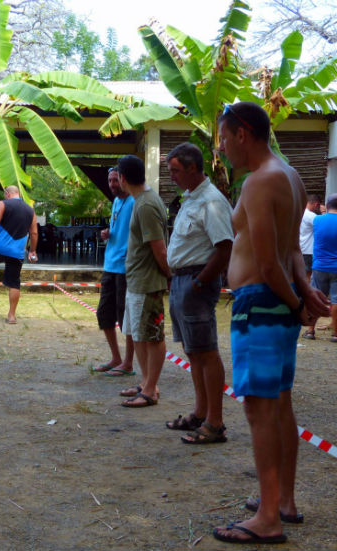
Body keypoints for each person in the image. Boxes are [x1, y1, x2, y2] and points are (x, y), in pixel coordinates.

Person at [213, 102, 329, 544]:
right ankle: (283, 501)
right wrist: (301, 293)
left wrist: (298, 302)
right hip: (276, 303)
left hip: (260, 303)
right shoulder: (291, 176)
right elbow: (292, 253)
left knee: (260, 410)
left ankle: (267, 518)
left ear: (243, 133)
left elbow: (266, 260)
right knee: (279, 405)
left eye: (223, 139)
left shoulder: (261, 181)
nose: (221, 150)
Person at [165, 142, 233, 444]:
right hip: (183, 281)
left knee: (206, 351)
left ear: (193, 168)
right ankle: (201, 412)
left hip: (196, 281)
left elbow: (225, 247)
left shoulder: (212, 201)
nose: (172, 177)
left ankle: (215, 423)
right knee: (194, 351)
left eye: (176, 171)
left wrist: (199, 282)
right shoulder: (192, 197)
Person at [117, 155, 171, 408]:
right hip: (138, 281)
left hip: (147, 282)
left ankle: (150, 389)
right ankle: (145, 383)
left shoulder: (147, 204)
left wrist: (168, 276)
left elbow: (159, 249)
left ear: (122, 178)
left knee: (151, 336)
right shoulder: (141, 201)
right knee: (138, 334)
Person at [93, 167, 136, 377]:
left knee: (124, 316)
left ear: (123, 179)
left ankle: (128, 363)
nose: (112, 185)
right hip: (109, 264)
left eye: (115, 180)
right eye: (109, 181)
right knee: (104, 314)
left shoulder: (135, 202)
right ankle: (116, 358)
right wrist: (106, 233)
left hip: (125, 267)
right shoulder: (117, 202)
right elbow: (118, 229)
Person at [0, 185, 38, 324]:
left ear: (7, 194)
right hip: (17, 252)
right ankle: (11, 316)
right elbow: (34, 233)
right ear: (18, 194)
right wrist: (32, 250)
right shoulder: (30, 210)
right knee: (14, 283)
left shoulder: (3, 204)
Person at [306, 194, 337, 340]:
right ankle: (336, 333)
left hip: (319, 266)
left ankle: (310, 330)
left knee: (316, 298)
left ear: (327, 205)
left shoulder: (317, 219)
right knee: (336, 300)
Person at [299, 193, 321, 284]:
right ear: (316, 204)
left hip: (300, 248)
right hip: (309, 250)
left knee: (302, 274)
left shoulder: (299, 213)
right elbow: (322, 227)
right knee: (309, 274)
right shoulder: (311, 216)